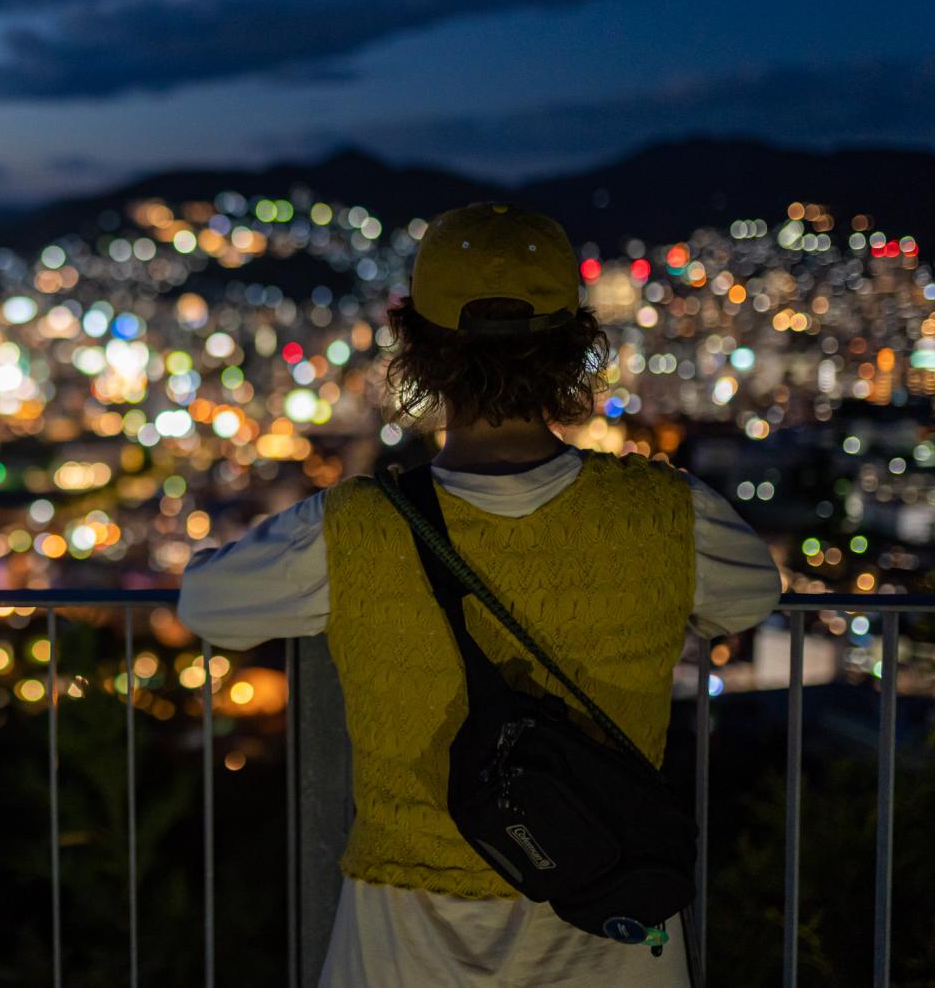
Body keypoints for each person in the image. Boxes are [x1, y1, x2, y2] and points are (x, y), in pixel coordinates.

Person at [176, 202, 782, 987]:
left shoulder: (356, 528)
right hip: (612, 921)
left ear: (420, 352)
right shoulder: (666, 514)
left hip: (403, 940)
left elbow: (207, 604)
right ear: (573, 349)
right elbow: (752, 598)